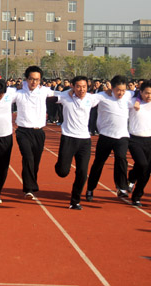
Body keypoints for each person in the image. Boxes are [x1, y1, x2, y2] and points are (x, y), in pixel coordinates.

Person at [54, 76, 99, 210]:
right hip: (68, 138)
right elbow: (48, 94)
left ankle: (75, 201)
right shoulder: (64, 96)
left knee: (82, 172)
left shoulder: (91, 98)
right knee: (62, 171)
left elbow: (109, 95)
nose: (81, 89)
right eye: (78, 86)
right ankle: (59, 165)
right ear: (73, 86)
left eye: (84, 87)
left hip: (85, 140)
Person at [86, 75, 133, 202]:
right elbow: (87, 98)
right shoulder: (102, 96)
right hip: (106, 136)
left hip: (122, 136)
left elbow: (143, 94)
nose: (121, 93)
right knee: (98, 163)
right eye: (118, 90)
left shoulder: (129, 95)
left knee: (121, 158)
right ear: (112, 88)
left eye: (123, 90)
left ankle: (121, 187)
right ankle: (90, 188)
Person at [14, 66, 58, 199]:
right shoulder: (18, 93)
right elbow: (1, 95)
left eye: (37, 80)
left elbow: (62, 95)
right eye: (31, 79)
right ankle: (28, 188)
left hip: (39, 132)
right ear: (26, 79)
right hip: (23, 131)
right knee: (28, 158)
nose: (34, 82)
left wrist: (73, 91)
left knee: (35, 161)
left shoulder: (44, 91)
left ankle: (31, 184)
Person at [127, 81, 151, 207]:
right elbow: (126, 94)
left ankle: (137, 197)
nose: (149, 96)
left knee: (146, 171)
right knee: (142, 164)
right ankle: (132, 177)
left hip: (150, 139)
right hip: (134, 139)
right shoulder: (132, 102)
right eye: (146, 93)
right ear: (140, 92)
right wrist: (137, 99)